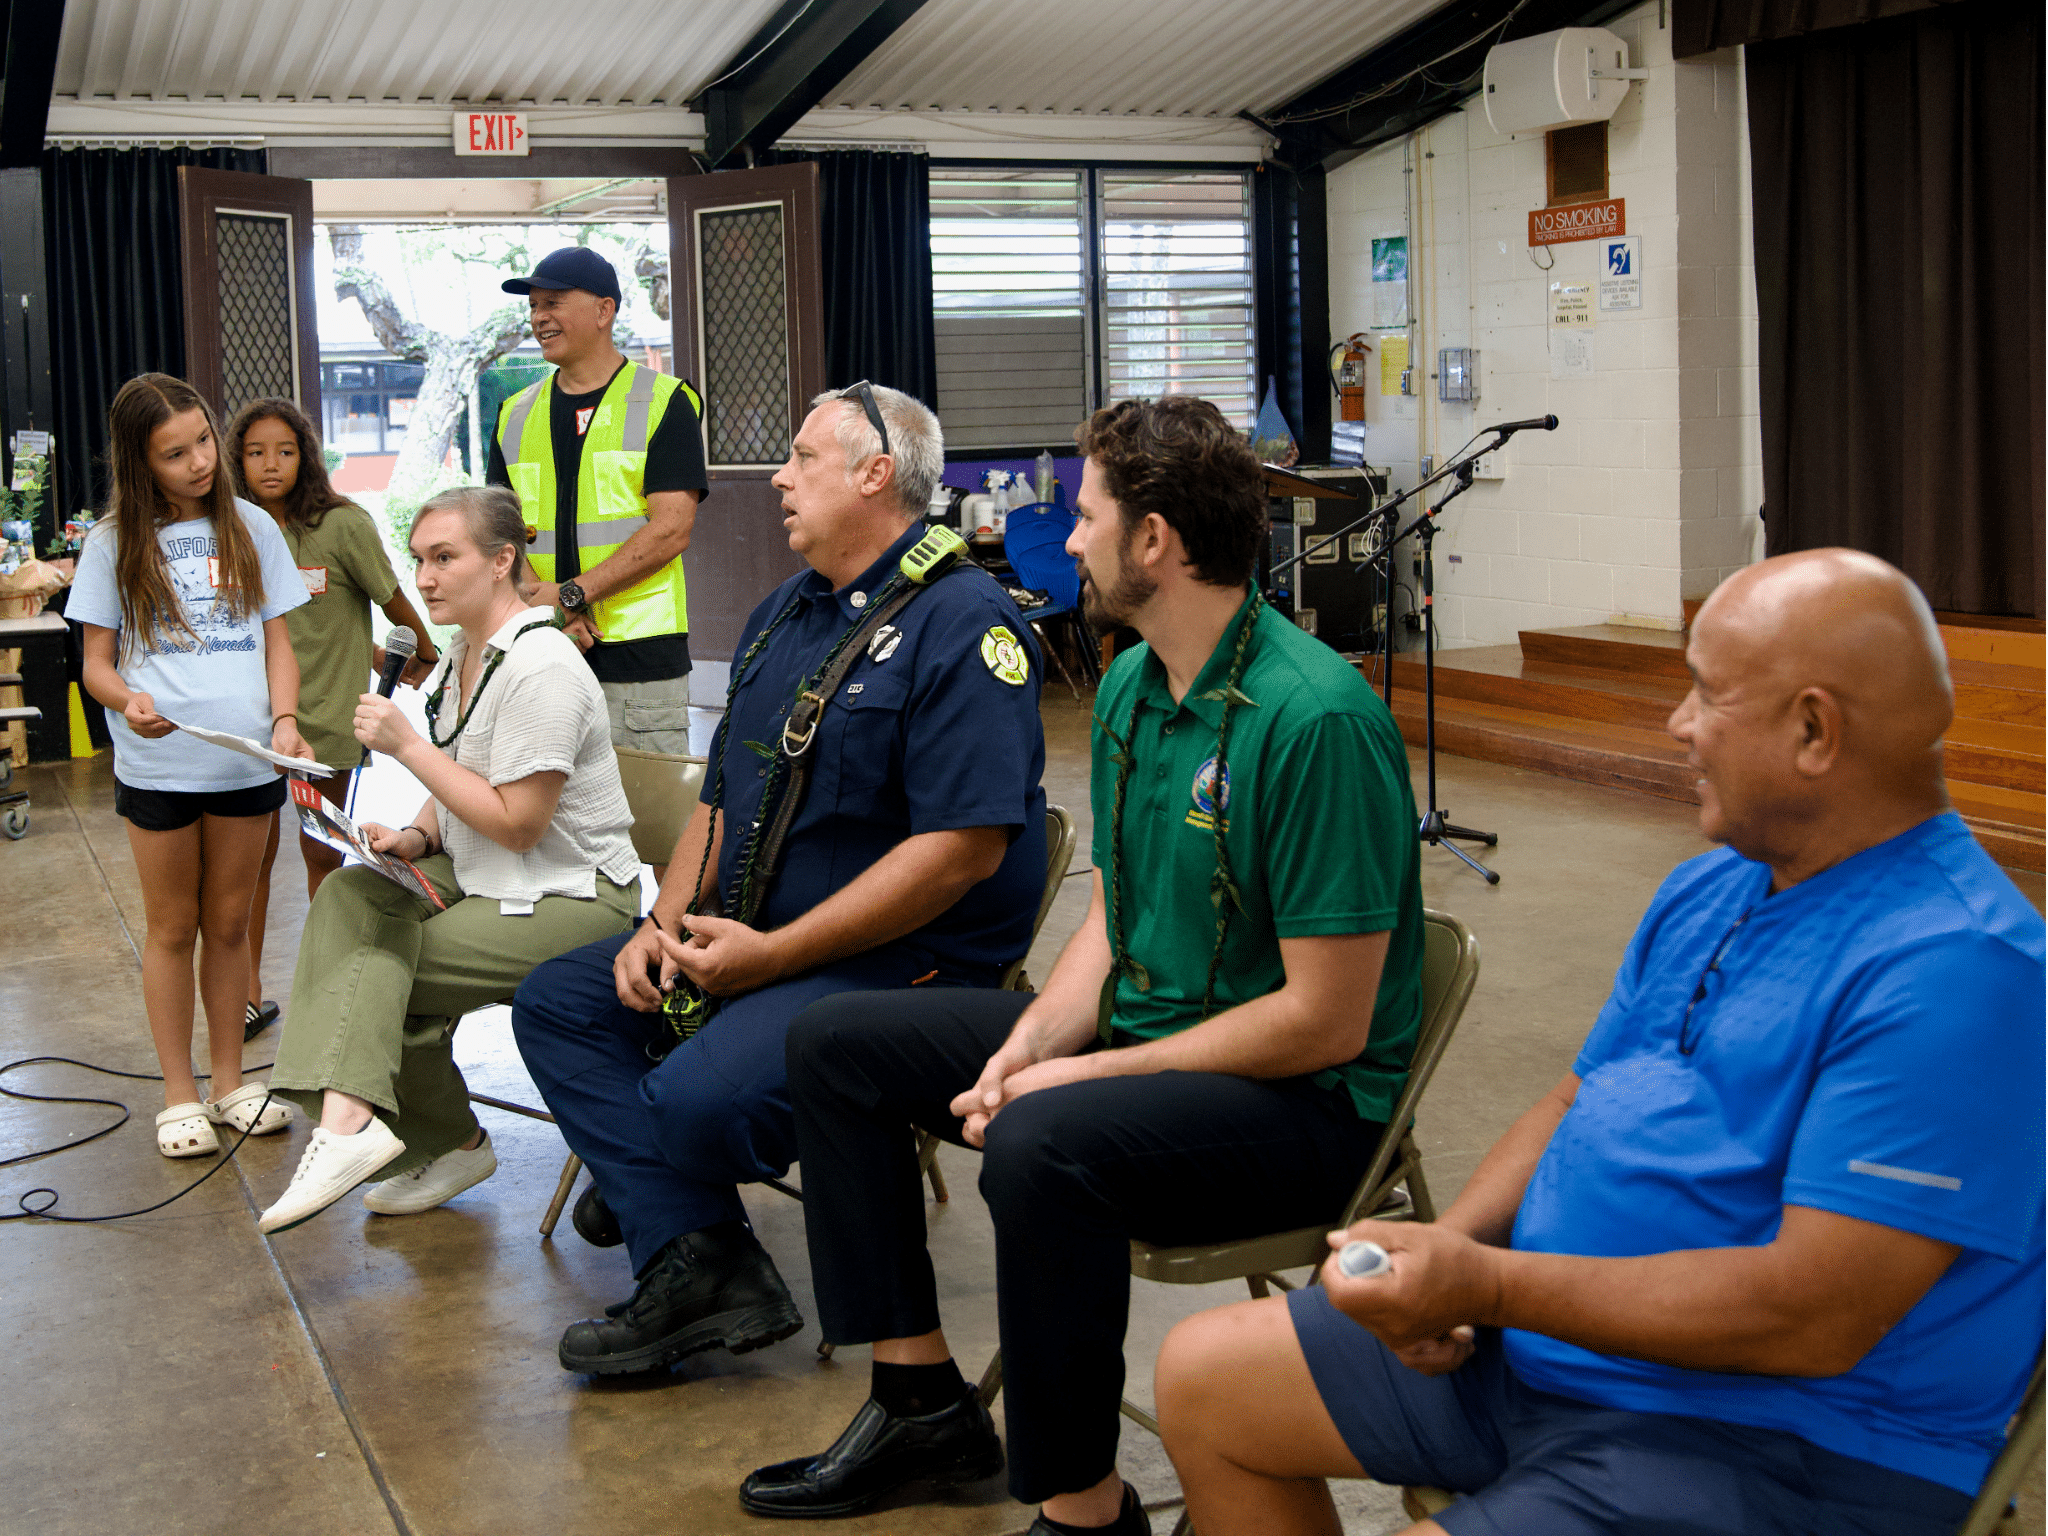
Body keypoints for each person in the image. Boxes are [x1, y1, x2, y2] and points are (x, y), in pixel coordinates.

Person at [1152, 549, 2046, 1536]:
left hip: (1772, 1440)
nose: (1679, 726)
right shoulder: (1713, 884)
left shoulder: (1959, 969)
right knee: (1205, 1382)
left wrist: (1487, 1283)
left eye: (1705, 695)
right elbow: (1575, 1099)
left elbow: (1811, 1314)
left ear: (1810, 729)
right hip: (1552, 1352)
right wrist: (1447, 1254)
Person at [741, 396, 1426, 1536]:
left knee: (1042, 1144)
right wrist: (1028, 1041)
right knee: (840, 1044)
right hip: (1159, 1038)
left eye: (1087, 514)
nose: (1065, 538)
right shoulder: (1124, 686)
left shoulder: (1314, 720)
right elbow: (1116, 913)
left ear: (1153, 542)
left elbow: (1324, 1022)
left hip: (1301, 1105)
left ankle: (1082, 1509)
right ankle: (917, 1399)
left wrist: (1078, 1082)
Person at [509, 383, 1047, 1377]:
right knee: (560, 1005)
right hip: (756, 940)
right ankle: (700, 1255)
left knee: (690, 1105)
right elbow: (719, 803)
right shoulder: (784, 614)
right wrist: (659, 926)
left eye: (801, 458)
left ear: (873, 476)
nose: (777, 477)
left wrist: (771, 959)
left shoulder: (962, 624)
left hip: (901, 972)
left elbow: (961, 852)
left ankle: (659, 1194)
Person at [256, 485, 641, 1234]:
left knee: (374, 971)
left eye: (443, 558)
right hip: (480, 868)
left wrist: (407, 747)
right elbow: (465, 772)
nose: (424, 579)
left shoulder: (543, 667)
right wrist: (417, 835)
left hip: (570, 893)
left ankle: (365, 1130)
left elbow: (521, 824)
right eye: (419, 560)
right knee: (349, 898)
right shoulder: (464, 656)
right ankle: (415, 1134)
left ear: (502, 562)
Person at [68, 373, 312, 1158]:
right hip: (159, 768)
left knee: (231, 924)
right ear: (143, 465)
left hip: (247, 766)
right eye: (175, 454)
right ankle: (179, 1096)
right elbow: (95, 664)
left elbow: (279, 641)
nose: (200, 462)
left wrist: (284, 721)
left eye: (203, 440)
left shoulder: (252, 529)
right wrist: (128, 700)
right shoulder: (112, 543)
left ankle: (230, 1082)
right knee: (174, 928)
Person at [227, 397, 438, 1042]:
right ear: (236, 459)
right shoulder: (227, 527)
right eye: (257, 452)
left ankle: (326, 989)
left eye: (286, 451)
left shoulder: (343, 524)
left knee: (320, 855)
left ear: (307, 456)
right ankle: (246, 996)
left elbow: (410, 625)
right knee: (248, 867)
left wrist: (383, 670)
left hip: (323, 729)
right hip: (246, 725)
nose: (272, 465)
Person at [485, 246, 706, 755]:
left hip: (637, 659)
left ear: (604, 311)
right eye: (534, 307)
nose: (540, 317)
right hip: (540, 649)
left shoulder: (664, 400)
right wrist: (552, 610)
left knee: (645, 825)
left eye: (554, 302)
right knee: (543, 821)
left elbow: (672, 528)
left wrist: (571, 596)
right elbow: (497, 530)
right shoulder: (514, 412)